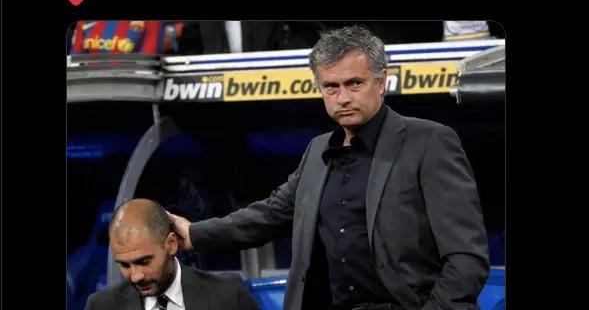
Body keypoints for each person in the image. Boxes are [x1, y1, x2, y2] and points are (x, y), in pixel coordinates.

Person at [169, 25, 489, 310]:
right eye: (331, 87)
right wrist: (195, 233)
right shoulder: (317, 150)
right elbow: (269, 215)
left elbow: (466, 258)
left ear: (381, 82)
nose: (343, 98)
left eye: (354, 83)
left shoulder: (430, 141)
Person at [85, 198, 259, 310]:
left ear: (171, 244)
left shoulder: (228, 295)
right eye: (124, 265)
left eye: (144, 261)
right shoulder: (102, 306)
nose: (136, 276)